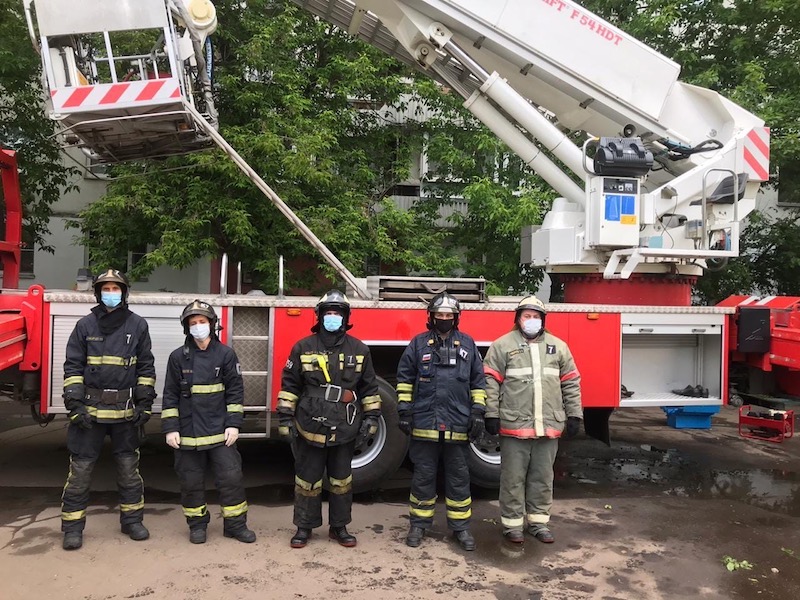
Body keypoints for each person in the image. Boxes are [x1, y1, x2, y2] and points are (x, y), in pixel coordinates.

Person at [276, 289, 381, 549]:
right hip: (310, 423)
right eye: (328, 313)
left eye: (337, 313)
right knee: (307, 479)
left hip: (344, 425)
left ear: (345, 317)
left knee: (341, 480)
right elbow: (290, 386)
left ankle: (339, 527)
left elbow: (369, 388)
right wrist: (285, 419)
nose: (332, 317)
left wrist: (371, 419)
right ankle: (304, 527)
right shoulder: (302, 347)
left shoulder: (360, 349)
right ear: (320, 316)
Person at [60, 269, 157, 550]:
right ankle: (72, 528)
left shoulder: (138, 325)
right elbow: (73, 367)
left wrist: (144, 404)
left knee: (129, 470)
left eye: (116, 288)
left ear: (124, 293)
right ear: (98, 292)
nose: (111, 293)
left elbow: (146, 367)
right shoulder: (85, 325)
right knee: (80, 472)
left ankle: (132, 521)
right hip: (90, 413)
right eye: (106, 288)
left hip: (125, 414)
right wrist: (75, 405)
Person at [483, 296, 582, 544]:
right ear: (518, 319)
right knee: (512, 479)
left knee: (542, 478)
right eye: (527, 316)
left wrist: (574, 414)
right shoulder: (502, 345)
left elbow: (571, 383)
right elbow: (489, 382)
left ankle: (539, 523)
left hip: (548, 427)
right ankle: (512, 525)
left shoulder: (558, 347)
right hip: (514, 426)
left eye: (536, 316)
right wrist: (491, 413)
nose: (531, 320)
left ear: (543, 320)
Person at [395, 292, 487, 551]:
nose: (444, 318)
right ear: (432, 316)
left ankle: (461, 528)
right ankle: (418, 525)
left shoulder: (468, 344)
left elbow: (478, 382)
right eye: (440, 314)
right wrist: (404, 411)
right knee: (423, 477)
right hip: (425, 423)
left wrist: (478, 412)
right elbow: (404, 379)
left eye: (448, 315)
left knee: (459, 477)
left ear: (456, 318)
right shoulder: (418, 344)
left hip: (458, 424)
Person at [161, 300, 256, 544]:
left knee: (231, 479)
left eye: (202, 321)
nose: (198, 326)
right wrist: (170, 428)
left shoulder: (225, 354)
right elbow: (170, 394)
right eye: (193, 323)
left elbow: (235, 391)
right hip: (188, 433)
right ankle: (197, 525)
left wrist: (233, 424)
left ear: (212, 324)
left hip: (220, 432)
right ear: (187, 327)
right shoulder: (177, 357)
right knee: (190, 482)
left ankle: (235, 525)